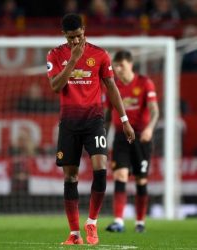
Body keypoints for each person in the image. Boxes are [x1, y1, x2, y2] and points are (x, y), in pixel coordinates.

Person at [46, 13, 135, 245]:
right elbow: (55, 86)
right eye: (71, 37)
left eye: (78, 36)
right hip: (69, 124)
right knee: (71, 176)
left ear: (84, 30)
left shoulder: (100, 54)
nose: (75, 41)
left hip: (94, 121)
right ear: (63, 34)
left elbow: (112, 87)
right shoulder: (55, 55)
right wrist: (73, 61)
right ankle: (74, 234)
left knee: (100, 168)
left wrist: (124, 119)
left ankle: (92, 223)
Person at [104, 50, 159, 233]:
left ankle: (140, 222)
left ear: (131, 64)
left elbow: (154, 110)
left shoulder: (144, 83)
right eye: (116, 66)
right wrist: (102, 139)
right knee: (120, 175)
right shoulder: (113, 86)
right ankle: (118, 221)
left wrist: (150, 128)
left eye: (122, 65)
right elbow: (106, 116)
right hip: (121, 137)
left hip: (141, 137)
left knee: (141, 180)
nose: (118, 69)